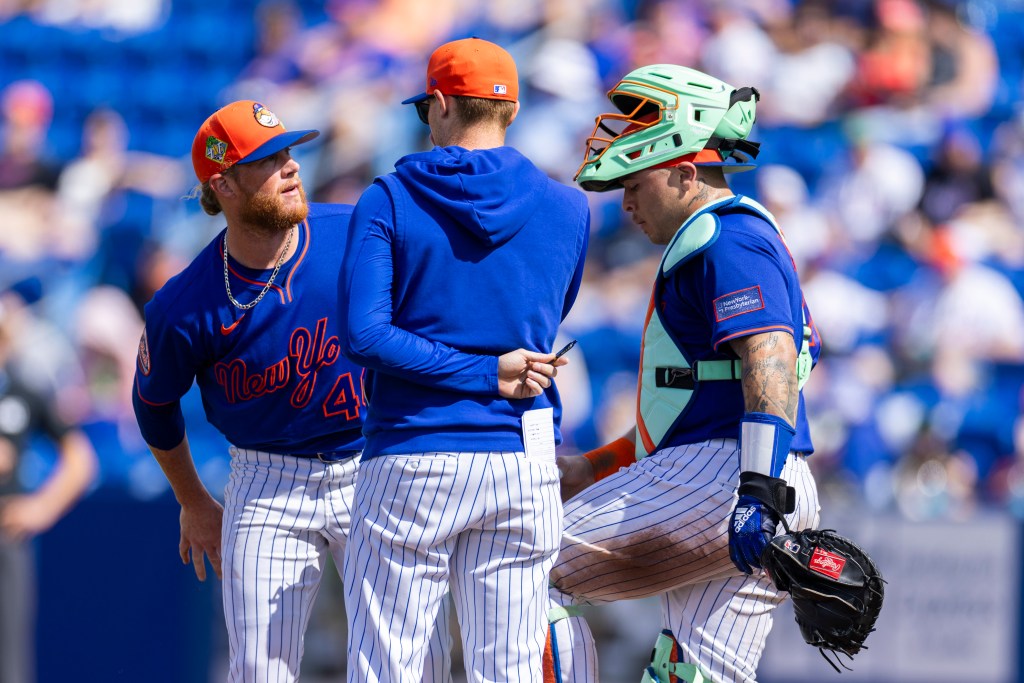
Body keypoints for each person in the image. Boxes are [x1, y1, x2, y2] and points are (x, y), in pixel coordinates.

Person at [131, 100, 451, 683]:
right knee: (258, 668)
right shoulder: (183, 303)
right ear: (223, 184)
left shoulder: (356, 232)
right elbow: (153, 404)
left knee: (411, 660)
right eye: (268, 159)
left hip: (372, 459)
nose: (291, 167)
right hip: (266, 478)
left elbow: (433, 314)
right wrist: (194, 501)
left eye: (288, 152)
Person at [547, 64, 822, 683]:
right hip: (749, 473)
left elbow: (770, 358)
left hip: (735, 478)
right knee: (695, 675)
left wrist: (758, 491)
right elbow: (695, 405)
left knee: (521, 560)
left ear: (685, 172)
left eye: (635, 182)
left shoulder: (727, 240)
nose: (627, 202)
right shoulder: (725, 239)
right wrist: (592, 467)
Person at [338, 38, 590, 683]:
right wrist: (495, 370)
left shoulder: (390, 197)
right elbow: (545, 311)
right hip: (520, 455)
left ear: (442, 103)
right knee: (507, 670)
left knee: (391, 667)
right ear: (510, 110)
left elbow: (364, 336)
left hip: (413, 452)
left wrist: (480, 372)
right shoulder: (570, 206)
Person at [0, 292, 98, 683]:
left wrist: (42, 506)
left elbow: (80, 459)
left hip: (6, 534)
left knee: (9, 661)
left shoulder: (22, 389)